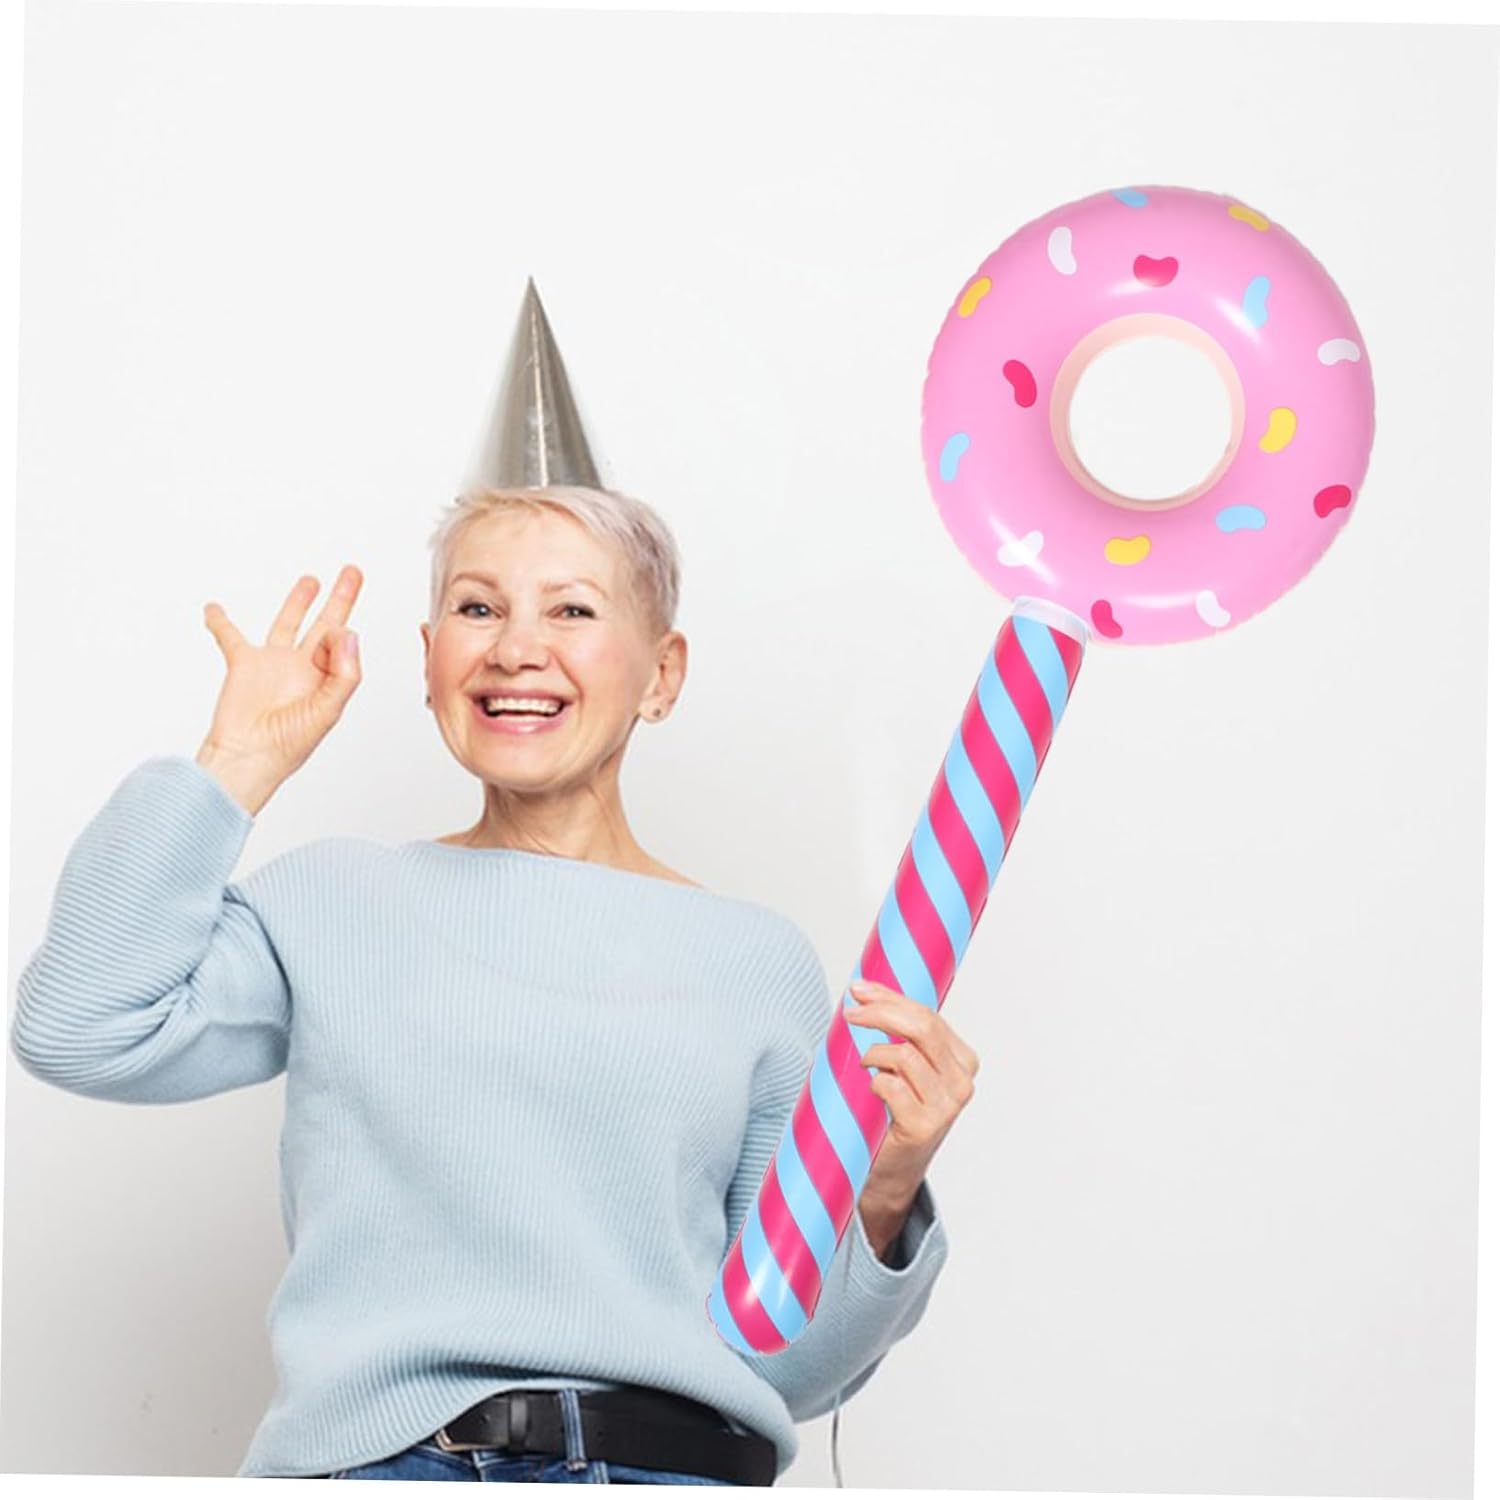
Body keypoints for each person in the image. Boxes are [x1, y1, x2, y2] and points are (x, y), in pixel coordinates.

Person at [10, 285, 974, 1484]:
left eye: (572, 609)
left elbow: (784, 1363)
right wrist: (236, 762)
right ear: (429, 663)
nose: (517, 647)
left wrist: (886, 1189)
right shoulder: (334, 904)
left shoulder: (754, 963)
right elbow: (78, 1027)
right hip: (391, 1470)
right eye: (478, 608)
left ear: (662, 673)